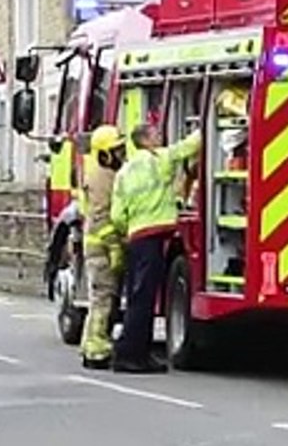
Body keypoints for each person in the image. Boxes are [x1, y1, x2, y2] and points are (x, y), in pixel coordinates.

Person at [108, 122, 202, 374]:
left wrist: (129, 228)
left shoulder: (124, 171)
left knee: (138, 297)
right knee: (145, 300)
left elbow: (116, 214)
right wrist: (207, 123)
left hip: (136, 237)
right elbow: (189, 147)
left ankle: (131, 352)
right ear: (146, 141)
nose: (160, 137)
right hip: (153, 237)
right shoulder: (157, 160)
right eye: (156, 134)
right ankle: (133, 357)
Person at [78, 125, 129, 369]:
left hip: (104, 247)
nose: (121, 154)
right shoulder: (99, 177)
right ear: (103, 153)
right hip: (101, 248)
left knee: (106, 298)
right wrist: (114, 247)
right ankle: (95, 350)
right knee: (102, 299)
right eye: (116, 150)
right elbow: (100, 216)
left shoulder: (106, 172)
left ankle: (94, 344)